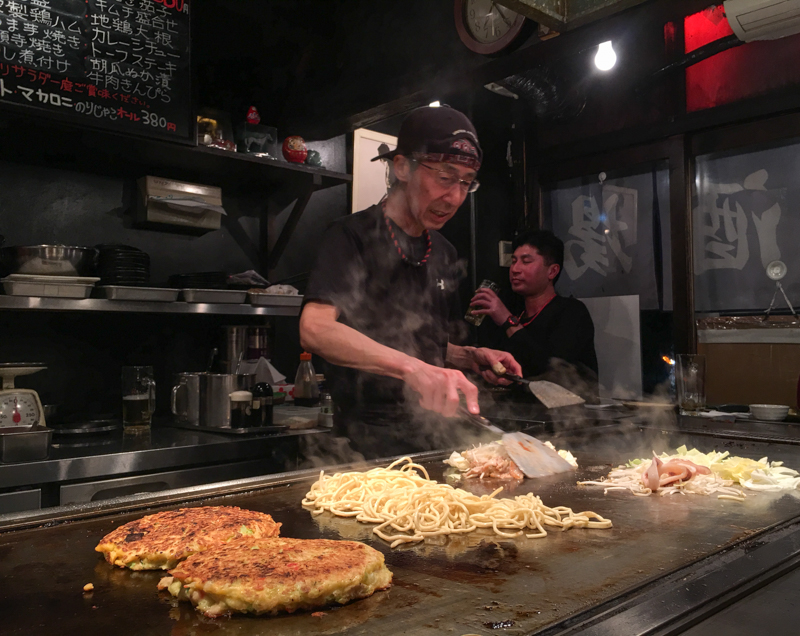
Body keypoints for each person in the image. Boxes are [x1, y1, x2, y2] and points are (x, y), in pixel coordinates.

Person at [299, 106, 522, 457]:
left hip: (435, 434)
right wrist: (414, 369)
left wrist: (471, 356)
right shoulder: (351, 236)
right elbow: (315, 329)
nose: (455, 197)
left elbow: (427, 344)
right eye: (446, 177)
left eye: (466, 182)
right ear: (402, 166)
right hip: (366, 440)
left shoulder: (444, 251)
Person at [469, 229, 598, 397]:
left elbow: (554, 370)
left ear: (552, 271)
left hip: (569, 415)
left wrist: (507, 320)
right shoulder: (518, 314)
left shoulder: (572, 312)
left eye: (526, 261)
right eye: (513, 261)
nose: (515, 269)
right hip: (519, 413)